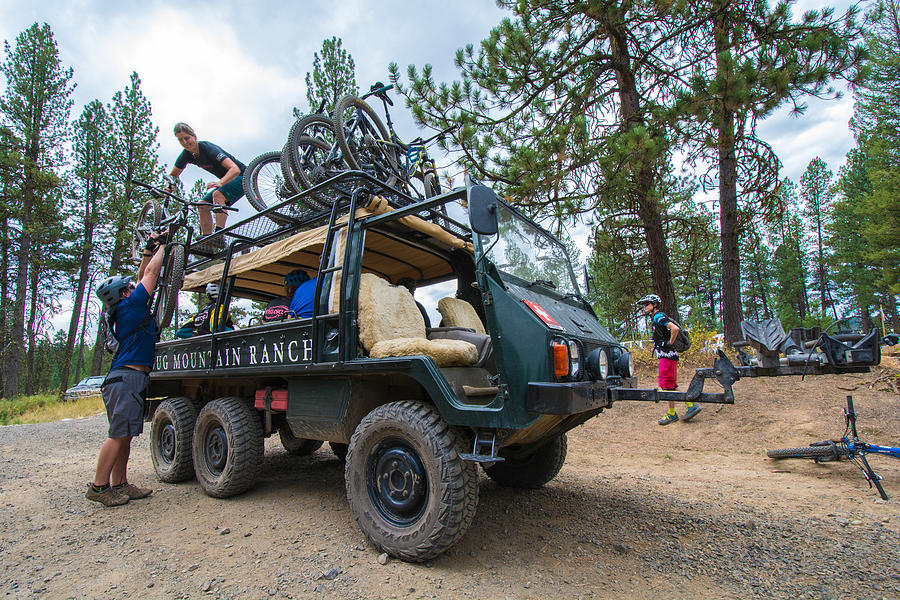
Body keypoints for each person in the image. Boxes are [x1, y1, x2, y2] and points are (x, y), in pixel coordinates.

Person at [87, 230, 166, 506]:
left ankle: (120, 483)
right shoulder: (131, 306)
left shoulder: (124, 308)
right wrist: (164, 248)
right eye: (128, 286)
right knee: (118, 435)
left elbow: (143, 272)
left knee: (125, 434)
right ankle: (98, 488)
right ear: (123, 294)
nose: (134, 287)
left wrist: (149, 249)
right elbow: (151, 275)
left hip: (124, 380)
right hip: (127, 380)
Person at [167, 122, 246, 236]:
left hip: (243, 176)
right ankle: (207, 239)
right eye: (180, 140)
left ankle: (219, 236)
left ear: (194, 136)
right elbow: (172, 176)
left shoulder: (208, 148)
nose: (185, 142)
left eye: (187, 138)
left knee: (218, 194)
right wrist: (168, 187)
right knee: (202, 204)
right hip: (229, 179)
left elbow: (235, 169)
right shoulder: (186, 155)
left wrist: (220, 182)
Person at [638, 293, 701, 426]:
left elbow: (675, 328)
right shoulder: (657, 316)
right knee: (671, 386)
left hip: (667, 356)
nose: (644, 307)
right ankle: (687, 406)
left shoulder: (658, 316)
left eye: (647, 304)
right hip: (666, 356)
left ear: (655, 305)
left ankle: (677, 412)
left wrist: (669, 343)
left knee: (667, 386)